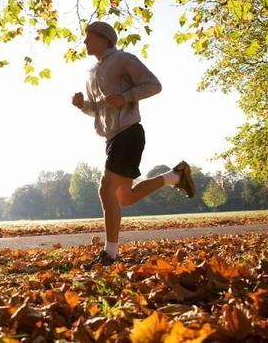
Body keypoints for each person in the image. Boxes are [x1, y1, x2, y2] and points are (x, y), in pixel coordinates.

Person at [72, 21, 195, 266]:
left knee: (105, 188)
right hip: (111, 138)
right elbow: (98, 110)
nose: (85, 42)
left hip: (129, 132)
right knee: (125, 198)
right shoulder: (90, 73)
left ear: (105, 39)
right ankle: (175, 176)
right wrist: (82, 105)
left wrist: (126, 96)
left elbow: (153, 85)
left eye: (89, 37)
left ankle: (110, 254)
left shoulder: (123, 59)